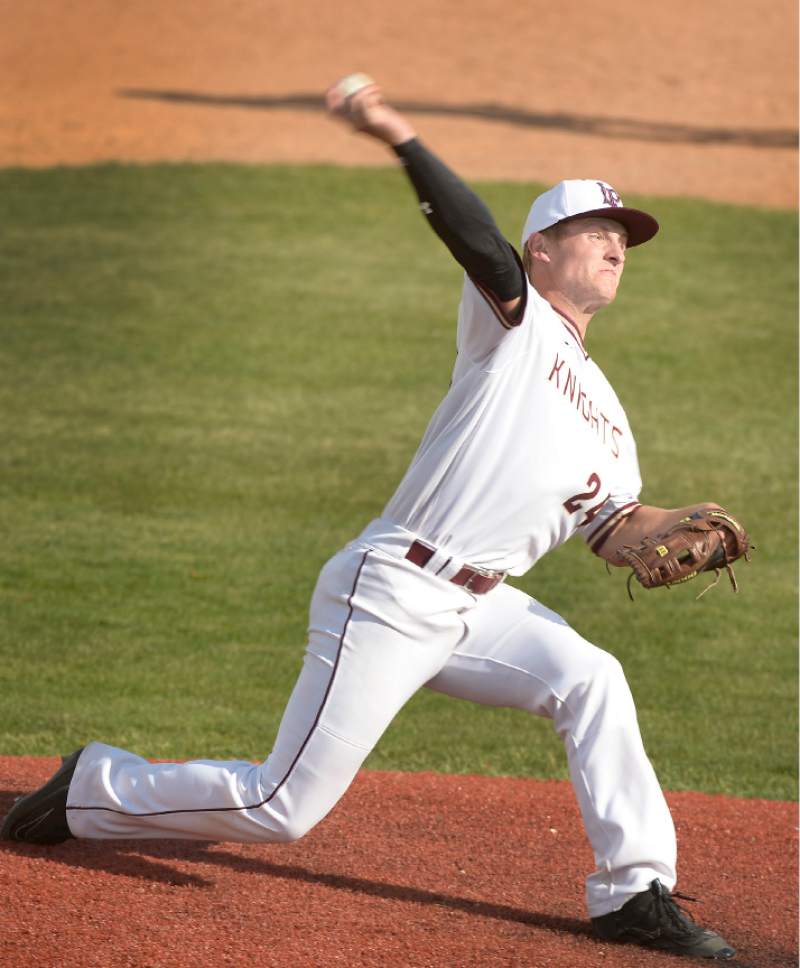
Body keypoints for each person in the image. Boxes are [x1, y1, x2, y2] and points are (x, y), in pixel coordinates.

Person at [2, 76, 736, 960]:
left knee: (594, 679)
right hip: (394, 588)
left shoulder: (612, 419)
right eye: (598, 232)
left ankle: (634, 892)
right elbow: (472, 236)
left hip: (476, 607)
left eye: (625, 239)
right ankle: (94, 786)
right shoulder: (518, 323)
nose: (618, 247)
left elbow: (613, 530)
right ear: (542, 250)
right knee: (282, 808)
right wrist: (398, 134)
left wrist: (668, 528)